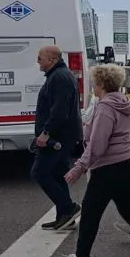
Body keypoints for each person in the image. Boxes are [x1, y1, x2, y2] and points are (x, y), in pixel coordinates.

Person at [53, 65, 130, 257]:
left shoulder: (105, 108)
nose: (93, 85)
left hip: (109, 167)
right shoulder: (121, 101)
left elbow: (98, 146)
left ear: (101, 83)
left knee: (91, 211)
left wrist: (79, 167)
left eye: (94, 82)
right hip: (126, 161)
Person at [32, 46, 83, 231]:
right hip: (62, 136)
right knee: (57, 173)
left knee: (39, 172)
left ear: (51, 59)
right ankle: (64, 217)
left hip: (58, 137)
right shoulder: (58, 75)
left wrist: (45, 133)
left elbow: (60, 111)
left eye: (40, 58)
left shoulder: (59, 77)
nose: (38, 61)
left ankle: (69, 208)